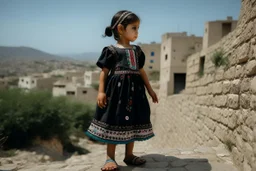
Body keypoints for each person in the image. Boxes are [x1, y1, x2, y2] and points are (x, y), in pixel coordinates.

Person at [85, 10, 158, 171]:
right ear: (120, 29)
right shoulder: (110, 51)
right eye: (134, 28)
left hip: (135, 94)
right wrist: (101, 92)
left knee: (132, 121)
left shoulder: (137, 51)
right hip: (117, 94)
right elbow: (104, 72)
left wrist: (150, 90)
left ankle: (129, 155)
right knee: (114, 121)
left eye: (138, 28)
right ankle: (110, 158)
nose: (137, 32)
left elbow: (141, 71)